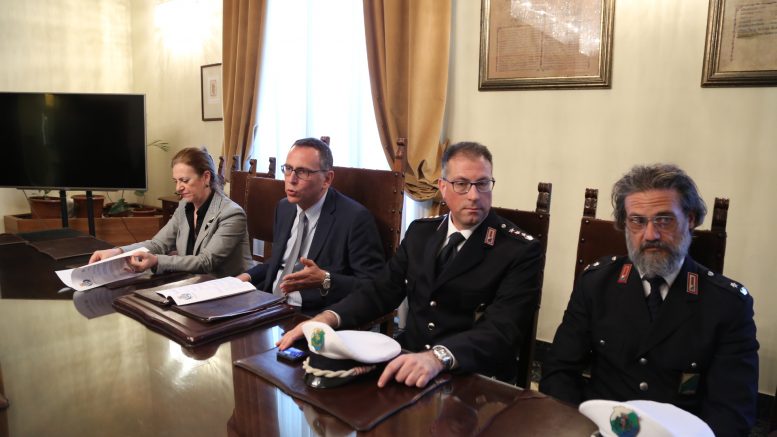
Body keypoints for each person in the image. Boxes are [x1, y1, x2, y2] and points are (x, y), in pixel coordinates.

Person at [278, 141, 543, 387]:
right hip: (410, 360)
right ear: (443, 187)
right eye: (461, 184)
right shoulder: (421, 233)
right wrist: (326, 319)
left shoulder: (519, 249)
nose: (473, 195)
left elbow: (501, 331)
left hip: (472, 376)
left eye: (483, 184)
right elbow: (381, 291)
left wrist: (438, 357)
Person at [539, 164, 759, 437]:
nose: (651, 235)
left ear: (690, 220)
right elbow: (559, 372)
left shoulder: (727, 304)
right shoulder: (596, 284)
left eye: (664, 220)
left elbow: (732, 412)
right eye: (637, 221)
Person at [237, 137, 384, 313]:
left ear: (327, 179)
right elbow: (280, 262)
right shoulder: (284, 207)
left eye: (302, 172)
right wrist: (245, 277)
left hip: (311, 313)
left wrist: (325, 279)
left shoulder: (355, 219)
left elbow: (374, 285)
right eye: (288, 169)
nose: (291, 179)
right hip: (268, 301)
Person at [89, 147, 252, 277]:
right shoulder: (184, 206)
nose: (178, 188)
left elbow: (206, 262)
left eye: (184, 180)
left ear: (206, 177)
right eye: (176, 181)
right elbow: (158, 244)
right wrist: (117, 252)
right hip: (194, 284)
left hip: (229, 290)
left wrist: (156, 261)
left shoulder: (231, 214)